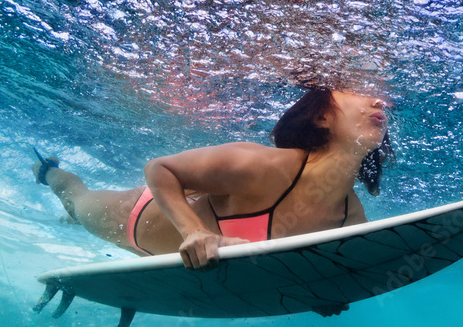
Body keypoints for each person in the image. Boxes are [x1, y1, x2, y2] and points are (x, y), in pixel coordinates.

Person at [32, 88, 393, 269]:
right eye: (359, 94)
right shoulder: (264, 166)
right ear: (321, 118)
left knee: (75, 210)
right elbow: (160, 169)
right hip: (130, 218)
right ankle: (46, 170)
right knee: (74, 196)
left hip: (159, 259)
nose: (380, 101)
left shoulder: (350, 215)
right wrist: (194, 231)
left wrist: (316, 294)